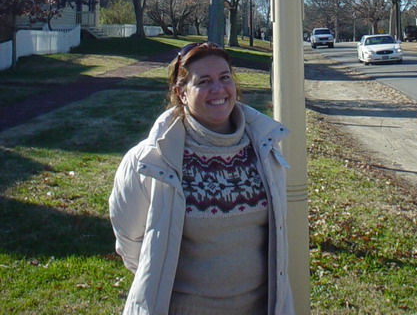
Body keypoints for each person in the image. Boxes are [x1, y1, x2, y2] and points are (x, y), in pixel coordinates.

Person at [109, 42, 295, 315]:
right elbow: (130, 242)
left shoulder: (265, 146)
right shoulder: (149, 161)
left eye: (225, 78)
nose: (218, 89)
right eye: (204, 81)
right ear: (181, 93)